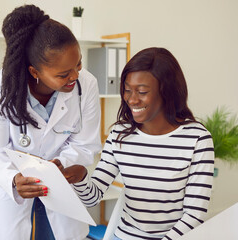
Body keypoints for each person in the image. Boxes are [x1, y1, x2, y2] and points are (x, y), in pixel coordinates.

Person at [0, 4, 101, 240]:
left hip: (62, 183)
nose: (75, 76)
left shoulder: (87, 84)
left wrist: (59, 166)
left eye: (78, 64)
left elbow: (86, 145)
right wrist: (13, 180)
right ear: (35, 71)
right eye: (63, 74)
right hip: (14, 184)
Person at [60, 47, 214, 240]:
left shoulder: (198, 139)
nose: (132, 100)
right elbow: (93, 196)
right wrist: (81, 177)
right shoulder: (119, 133)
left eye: (142, 92)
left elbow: (194, 215)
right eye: (127, 90)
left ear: (168, 92)